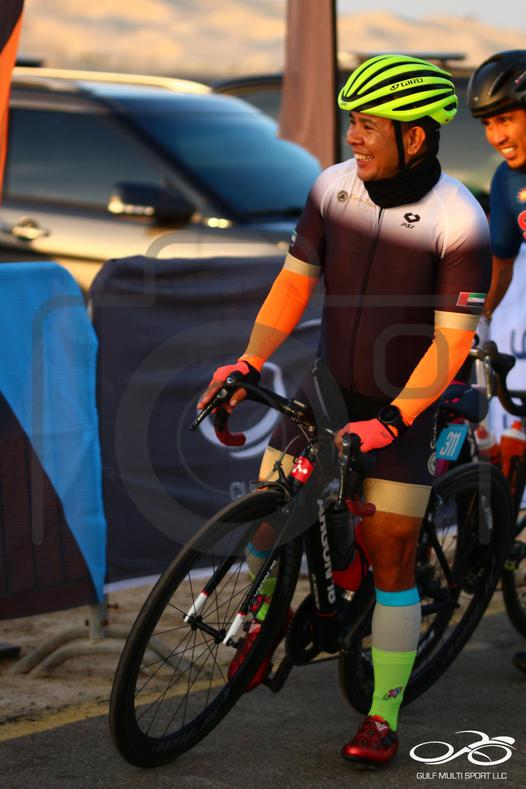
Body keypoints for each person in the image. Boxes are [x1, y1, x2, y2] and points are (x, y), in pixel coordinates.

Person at [198, 54, 491, 768]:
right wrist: (248, 360)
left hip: (405, 403)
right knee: (273, 510)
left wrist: (392, 421)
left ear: (413, 138)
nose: (352, 137)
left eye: (367, 125)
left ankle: (383, 714)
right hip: (328, 385)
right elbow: (293, 284)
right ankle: (263, 626)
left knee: (391, 556)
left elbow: (452, 342)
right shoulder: (331, 188)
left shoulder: (460, 217)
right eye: (351, 123)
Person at [467, 50, 526, 675]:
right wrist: (472, 322)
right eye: (487, 124)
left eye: (505, 118)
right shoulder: (507, 182)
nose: (495, 135)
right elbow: (501, 264)